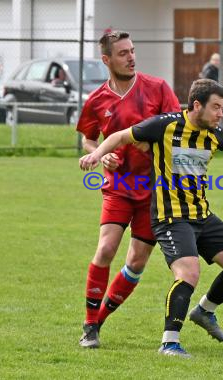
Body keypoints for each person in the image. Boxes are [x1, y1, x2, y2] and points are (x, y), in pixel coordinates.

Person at [79, 79, 223, 358]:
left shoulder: (217, 135)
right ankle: (169, 342)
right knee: (188, 273)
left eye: (222, 108)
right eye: (215, 107)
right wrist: (97, 153)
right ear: (197, 105)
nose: (219, 114)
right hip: (170, 218)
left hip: (201, 215)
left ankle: (204, 311)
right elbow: (119, 136)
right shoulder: (163, 126)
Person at [76, 30, 181, 348]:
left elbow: (177, 129)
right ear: (106, 60)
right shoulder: (96, 100)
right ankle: (90, 325)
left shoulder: (158, 88)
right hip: (119, 185)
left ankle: (98, 321)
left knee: (136, 261)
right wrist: (100, 152)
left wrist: (156, 146)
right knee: (106, 249)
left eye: (132, 51)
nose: (131, 57)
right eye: (123, 53)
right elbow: (88, 138)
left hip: (154, 190)